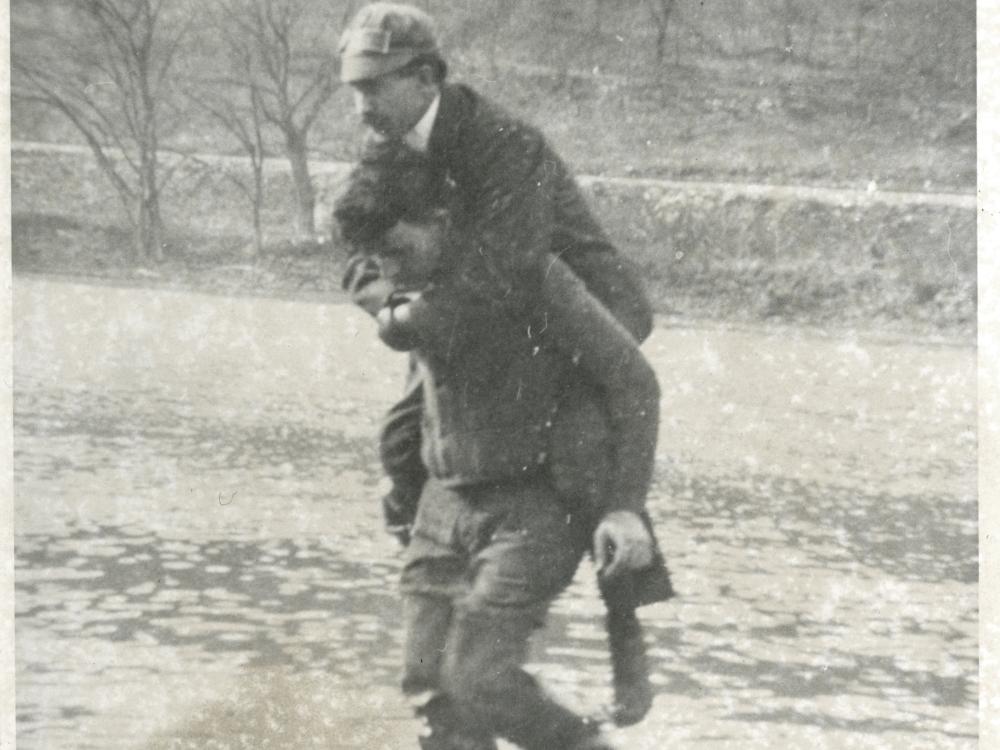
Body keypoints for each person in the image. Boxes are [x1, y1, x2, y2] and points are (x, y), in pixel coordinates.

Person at [337, 5, 673, 747]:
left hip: (573, 322)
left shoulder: (502, 146)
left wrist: (422, 318)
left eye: (375, 85)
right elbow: (359, 253)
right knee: (407, 440)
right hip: (462, 341)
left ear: (426, 77)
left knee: (579, 453)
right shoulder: (387, 150)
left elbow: (513, 268)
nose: (361, 104)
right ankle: (425, 526)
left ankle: (618, 586)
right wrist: (397, 309)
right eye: (351, 88)